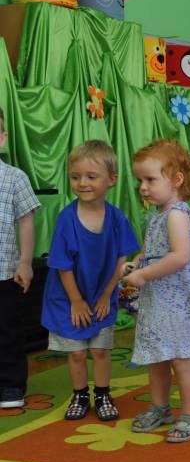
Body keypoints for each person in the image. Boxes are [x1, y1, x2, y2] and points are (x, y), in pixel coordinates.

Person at [124, 139, 190, 443]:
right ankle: (160, 407)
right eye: (140, 181)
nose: (143, 187)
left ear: (177, 179)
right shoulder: (157, 215)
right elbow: (152, 251)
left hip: (177, 297)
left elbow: (180, 256)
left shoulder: (177, 215)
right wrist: (136, 263)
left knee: (181, 359)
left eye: (150, 180)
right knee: (157, 356)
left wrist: (144, 274)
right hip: (158, 298)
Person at [41, 141, 140, 421]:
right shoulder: (66, 219)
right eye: (76, 177)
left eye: (91, 176)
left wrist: (107, 295)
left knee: (100, 350)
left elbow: (122, 260)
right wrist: (76, 301)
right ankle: (80, 394)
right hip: (68, 298)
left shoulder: (116, 218)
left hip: (100, 296)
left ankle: (103, 394)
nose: (82, 183)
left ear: (111, 180)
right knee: (75, 353)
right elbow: (62, 266)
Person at [0, 107, 40, 409]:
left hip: (4, 271)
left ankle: (11, 385)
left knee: (7, 331)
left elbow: (26, 220)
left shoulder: (14, 178)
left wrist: (25, 262)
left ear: (2, 138)